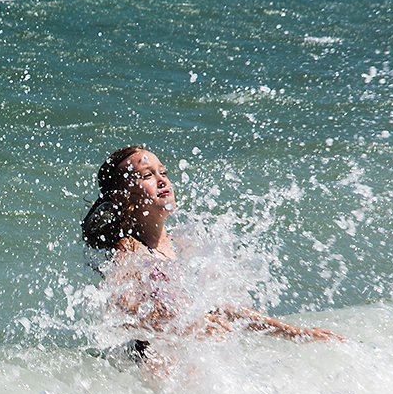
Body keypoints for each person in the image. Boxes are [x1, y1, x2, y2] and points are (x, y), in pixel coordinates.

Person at [82, 145, 342, 352]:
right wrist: (188, 326)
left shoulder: (183, 243)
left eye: (163, 171)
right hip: (149, 354)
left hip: (189, 350)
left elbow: (217, 306)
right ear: (121, 196)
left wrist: (293, 333)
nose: (162, 180)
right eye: (147, 175)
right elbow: (122, 310)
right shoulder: (129, 249)